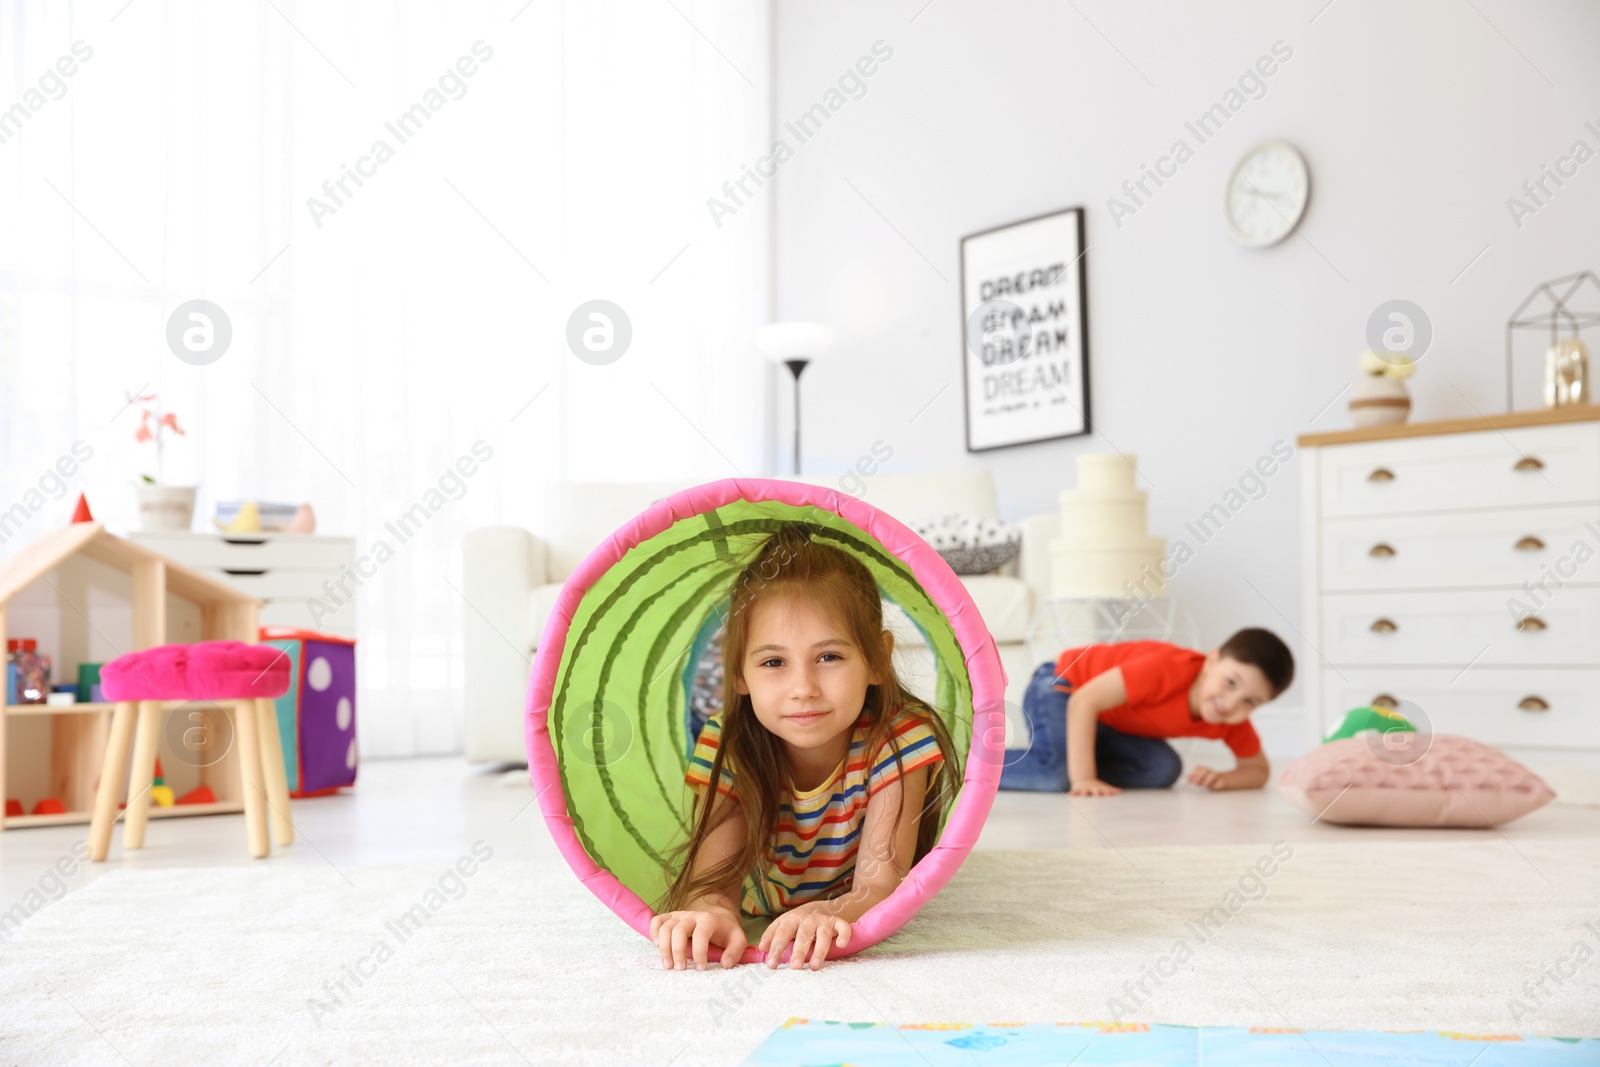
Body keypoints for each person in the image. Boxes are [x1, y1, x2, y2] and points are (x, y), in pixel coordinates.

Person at [652, 522, 961, 973]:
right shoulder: (728, 741)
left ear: (877, 659)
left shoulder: (900, 737)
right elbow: (711, 880)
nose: (803, 688)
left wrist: (831, 912)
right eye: (773, 662)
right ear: (739, 674)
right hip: (763, 897)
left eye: (829, 657)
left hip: (847, 887)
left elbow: (879, 883)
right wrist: (714, 911)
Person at [998, 629, 1294, 796]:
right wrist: (1084, 779)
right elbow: (1084, 702)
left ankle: (1067, 756)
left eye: (1250, 702)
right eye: (1231, 683)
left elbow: (1258, 770)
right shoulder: (1168, 669)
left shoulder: (1229, 718)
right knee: (1059, 775)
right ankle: (971, 762)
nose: (1231, 704)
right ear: (1211, 661)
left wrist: (1225, 779)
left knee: (1163, 768)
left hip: (1105, 720)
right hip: (1063, 685)